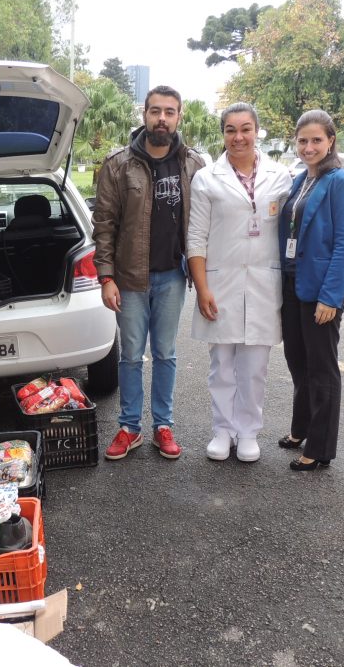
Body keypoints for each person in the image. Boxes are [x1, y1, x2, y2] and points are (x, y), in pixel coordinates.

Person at [92, 85, 206, 461]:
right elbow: (104, 225)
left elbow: (207, 223)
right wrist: (106, 278)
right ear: (144, 114)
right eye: (155, 111)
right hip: (129, 279)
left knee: (166, 354)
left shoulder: (193, 164)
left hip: (173, 276)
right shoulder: (118, 163)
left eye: (169, 112)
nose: (162, 118)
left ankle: (163, 426)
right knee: (129, 357)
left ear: (179, 116)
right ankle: (129, 428)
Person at [186, 103, 293, 462]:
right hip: (220, 281)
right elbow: (196, 237)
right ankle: (222, 430)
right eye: (231, 130)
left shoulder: (280, 177)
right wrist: (202, 288)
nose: (239, 137)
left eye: (246, 129)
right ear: (223, 135)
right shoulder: (206, 178)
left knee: (254, 367)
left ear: (257, 131)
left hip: (264, 281)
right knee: (222, 364)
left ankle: (248, 432)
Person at [276, 109, 344, 471]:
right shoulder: (300, 180)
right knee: (298, 361)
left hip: (321, 288)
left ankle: (320, 447)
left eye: (316, 140)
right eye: (303, 140)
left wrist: (331, 296)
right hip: (293, 282)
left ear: (331, 141)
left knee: (322, 368)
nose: (309, 147)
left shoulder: (342, 182)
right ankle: (301, 428)